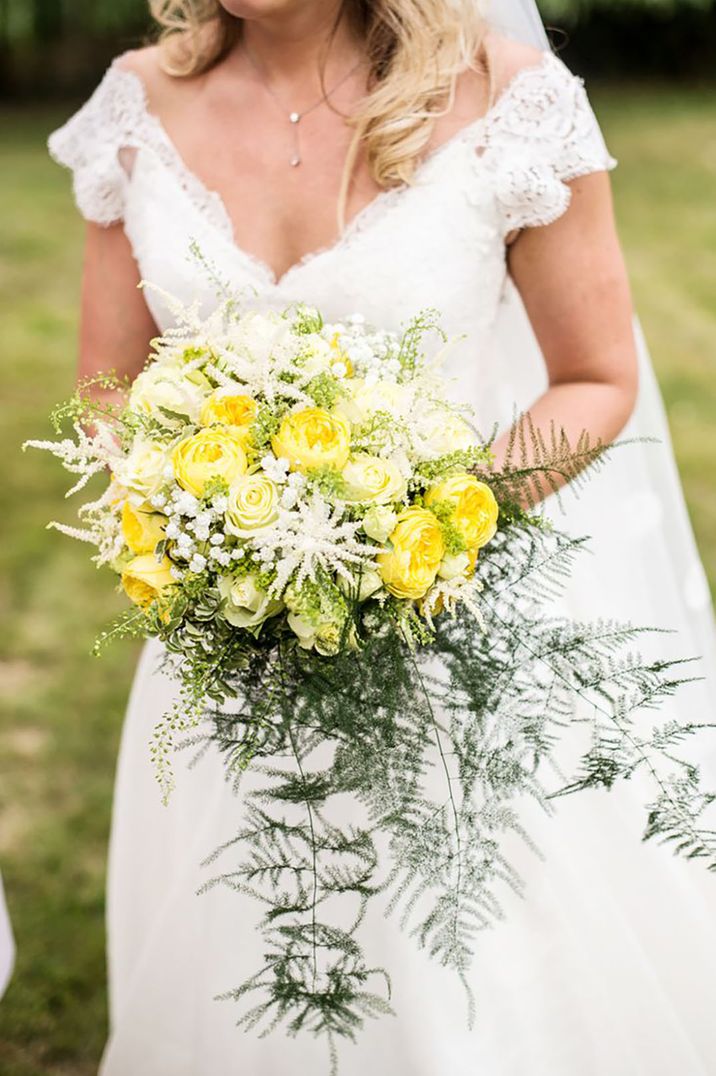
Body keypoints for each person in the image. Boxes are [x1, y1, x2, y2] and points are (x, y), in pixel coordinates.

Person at [48, 0, 716, 1072]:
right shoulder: (137, 104)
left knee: (466, 987)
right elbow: (107, 389)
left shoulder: (507, 100)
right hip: (226, 654)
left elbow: (596, 377)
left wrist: (414, 523)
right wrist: (203, 524)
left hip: (454, 637)